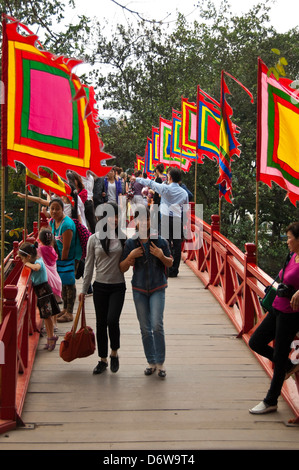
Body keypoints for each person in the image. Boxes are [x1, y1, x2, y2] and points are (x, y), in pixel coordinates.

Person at [249, 221, 299, 414]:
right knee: (256, 342)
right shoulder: (292, 256)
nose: (287, 241)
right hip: (277, 307)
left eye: (289, 238)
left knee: (278, 354)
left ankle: (270, 401)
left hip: (292, 314)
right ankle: (289, 365)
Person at [120, 205, 173, 378]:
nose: (143, 222)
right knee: (145, 328)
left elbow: (170, 263)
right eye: (140, 219)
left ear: (151, 221)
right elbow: (122, 268)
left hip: (158, 286)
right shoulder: (130, 243)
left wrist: (160, 255)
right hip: (139, 288)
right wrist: (130, 257)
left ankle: (161, 363)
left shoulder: (160, 241)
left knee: (157, 325)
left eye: (146, 219)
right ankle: (151, 361)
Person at [79, 202, 126, 374]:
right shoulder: (94, 239)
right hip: (100, 286)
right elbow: (89, 266)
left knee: (112, 320)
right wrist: (84, 290)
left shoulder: (122, 237)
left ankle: (114, 352)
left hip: (118, 286)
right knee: (101, 323)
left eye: (115, 215)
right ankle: (103, 359)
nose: (113, 219)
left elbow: (129, 261)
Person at [136, 167, 189, 277]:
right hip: (177, 219)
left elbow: (150, 183)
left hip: (165, 218)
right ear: (179, 179)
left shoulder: (165, 189)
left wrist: (137, 179)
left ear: (169, 177)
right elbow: (185, 211)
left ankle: (167, 268)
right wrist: (185, 227)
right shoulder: (184, 193)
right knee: (177, 245)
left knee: (166, 243)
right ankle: (175, 270)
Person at [18, 241, 60, 351]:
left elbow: (36, 268)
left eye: (23, 259)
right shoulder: (37, 260)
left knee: (47, 317)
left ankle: (51, 337)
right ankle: (50, 337)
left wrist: (27, 264)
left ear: (28, 256)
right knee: (46, 317)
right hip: (41, 293)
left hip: (44, 292)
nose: (22, 261)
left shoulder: (38, 262)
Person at [48, 198, 82, 323]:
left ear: (63, 209)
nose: (54, 211)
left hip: (71, 256)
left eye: (57, 208)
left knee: (69, 282)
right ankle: (65, 309)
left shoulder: (66, 225)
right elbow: (53, 240)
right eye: (52, 208)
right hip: (60, 256)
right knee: (63, 282)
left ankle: (69, 312)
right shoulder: (52, 222)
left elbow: (67, 247)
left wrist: (60, 262)